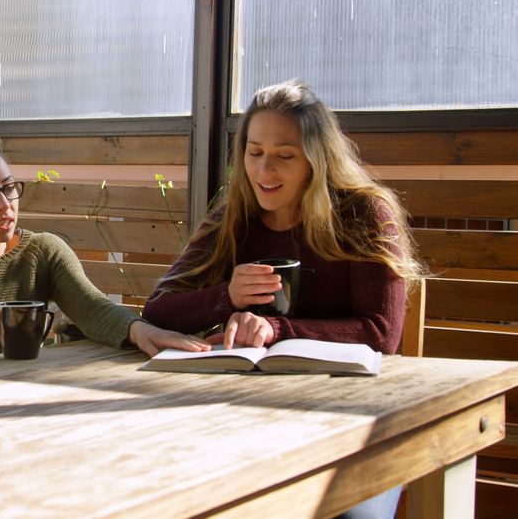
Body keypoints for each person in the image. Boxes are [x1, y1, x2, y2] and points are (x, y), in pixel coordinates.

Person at [141, 81, 423, 519]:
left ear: (317, 158)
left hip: (358, 420)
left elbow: (381, 333)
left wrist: (277, 329)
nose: (264, 171)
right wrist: (226, 297)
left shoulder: (364, 213)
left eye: (284, 156)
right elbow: (159, 308)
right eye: (254, 153)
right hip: (254, 420)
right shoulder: (234, 213)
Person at [0, 120, 210, 371]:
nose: (4, 205)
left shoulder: (41, 253)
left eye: (9, 188)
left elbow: (92, 307)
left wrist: (141, 332)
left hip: (20, 395)